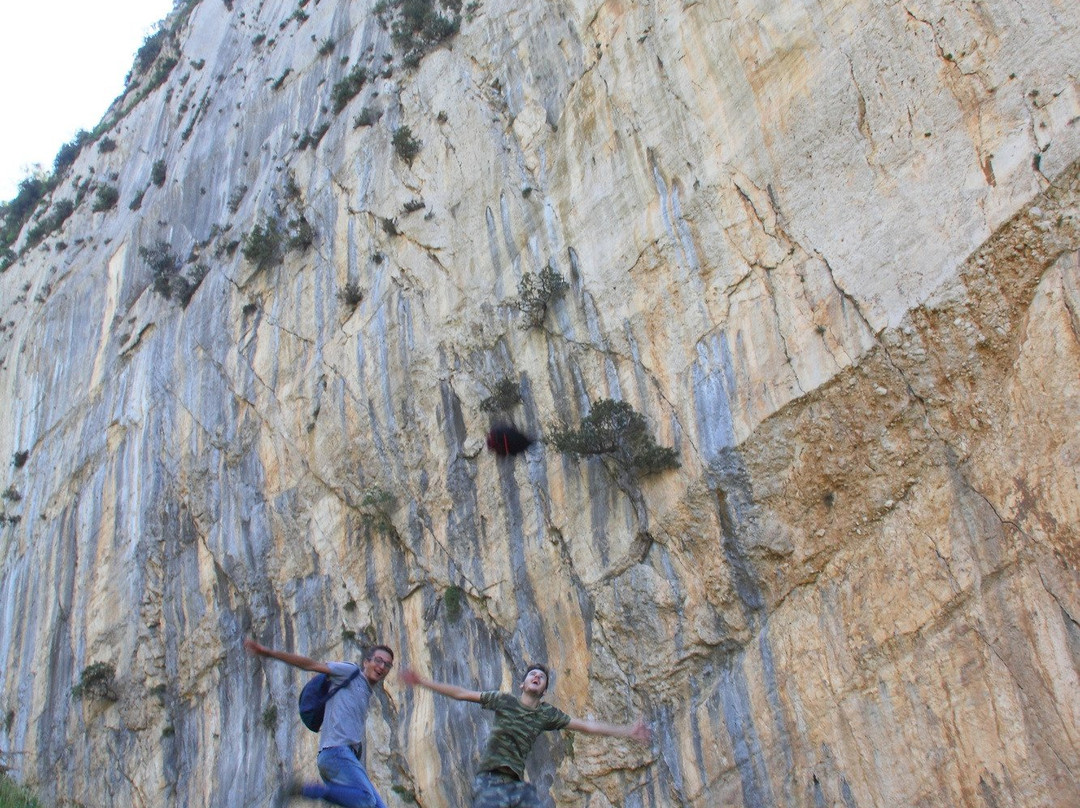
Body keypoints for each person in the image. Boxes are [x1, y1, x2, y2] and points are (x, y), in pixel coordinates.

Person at [400, 663, 650, 807]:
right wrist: (422, 681)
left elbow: (586, 726)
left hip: (518, 787)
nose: (537, 677)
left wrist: (628, 731)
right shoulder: (504, 701)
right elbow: (462, 693)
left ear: (543, 691)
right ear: (523, 684)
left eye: (542, 678)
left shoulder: (546, 715)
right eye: (532, 674)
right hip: (490, 781)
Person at [244, 638, 394, 808]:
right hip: (337, 752)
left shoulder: (366, 691)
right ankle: (307, 790)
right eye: (378, 661)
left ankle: (313, 791)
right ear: (366, 662)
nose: (382, 667)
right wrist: (268, 652)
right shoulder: (350, 672)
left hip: (344, 757)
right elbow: (310, 665)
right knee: (367, 799)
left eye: (387, 665)